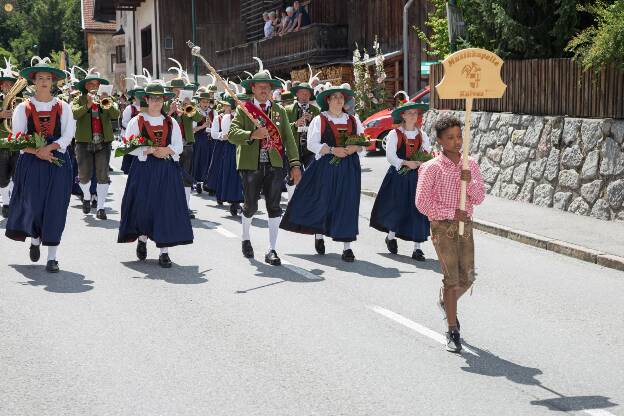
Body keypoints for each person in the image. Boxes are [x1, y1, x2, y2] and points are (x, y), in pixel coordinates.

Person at [415, 114, 485, 353]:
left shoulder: (471, 164)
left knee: (467, 277)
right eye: (451, 138)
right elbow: (422, 202)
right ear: (440, 141)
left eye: (459, 136)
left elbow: (479, 197)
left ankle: (446, 301)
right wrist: (451, 212)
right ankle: (452, 329)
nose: (457, 141)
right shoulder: (431, 167)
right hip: (443, 227)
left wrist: (470, 181)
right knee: (452, 278)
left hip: (466, 227)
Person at [5, 57, 76, 273]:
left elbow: (68, 135)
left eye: (48, 78)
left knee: (55, 208)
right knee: (33, 205)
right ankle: (35, 238)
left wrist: (50, 148)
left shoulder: (63, 107)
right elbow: (18, 138)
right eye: (40, 78)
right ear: (34, 81)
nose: (44, 81)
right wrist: (37, 151)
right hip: (31, 163)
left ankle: (52, 257)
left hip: (58, 162)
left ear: (53, 82)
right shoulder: (23, 108)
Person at [228, 59, 301, 265]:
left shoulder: (279, 112)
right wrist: (252, 134)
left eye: (267, 88)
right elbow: (232, 134)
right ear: (253, 88)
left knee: (274, 206)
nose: (264, 91)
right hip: (251, 165)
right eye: (260, 87)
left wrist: (295, 164)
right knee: (250, 206)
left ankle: (272, 249)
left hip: (275, 164)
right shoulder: (244, 110)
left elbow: (288, 138)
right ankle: (245, 238)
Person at [280, 84, 364, 262]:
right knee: (323, 201)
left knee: (347, 204)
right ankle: (319, 234)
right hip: (326, 166)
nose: (339, 100)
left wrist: (354, 147)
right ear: (328, 101)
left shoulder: (353, 120)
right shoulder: (320, 119)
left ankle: (347, 247)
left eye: (341, 97)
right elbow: (312, 144)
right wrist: (333, 150)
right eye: (335, 97)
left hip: (349, 167)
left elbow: (363, 143)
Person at [118, 82, 193, 268]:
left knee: (165, 209)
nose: (156, 102)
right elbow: (127, 147)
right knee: (144, 207)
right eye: (153, 98)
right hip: (143, 170)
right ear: (147, 99)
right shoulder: (137, 121)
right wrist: (149, 149)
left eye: (159, 99)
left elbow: (178, 146)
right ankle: (142, 238)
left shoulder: (171, 122)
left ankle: (164, 252)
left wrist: (167, 150)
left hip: (166, 171)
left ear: (164, 100)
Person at [370, 101, 431, 261]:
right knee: (398, 208)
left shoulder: (422, 135)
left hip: (417, 177)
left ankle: (417, 248)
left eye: (415, 113)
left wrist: (420, 162)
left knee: (419, 210)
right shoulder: (394, 134)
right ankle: (391, 236)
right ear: (402, 115)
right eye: (410, 113)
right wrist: (405, 163)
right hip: (399, 177)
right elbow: (390, 156)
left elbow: (427, 154)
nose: (413, 116)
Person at [72, 69, 120, 220]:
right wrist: (87, 104)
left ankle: (100, 207)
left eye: (96, 84)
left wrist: (106, 102)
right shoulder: (78, 99)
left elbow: (115, 114)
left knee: (102, 175)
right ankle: (86, 196)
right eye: (91, 84)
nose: (93, 86)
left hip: (103, 142)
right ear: (85, 86)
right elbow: (75, 114)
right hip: (83, 142)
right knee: (84, 176)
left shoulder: (107, 98)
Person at [284, 80, 319, 199]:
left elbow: (321, 129)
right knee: (293, 176)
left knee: (312, 174)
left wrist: (313, 120)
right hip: (293, 148)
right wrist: (295, 124)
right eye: (302, 93)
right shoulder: (287, 110)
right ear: (297, 94)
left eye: (307, 94)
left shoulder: (315, 111)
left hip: (310, 148)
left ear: (310, 95)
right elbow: (281, 129)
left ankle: (308, 200)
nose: (304, 96)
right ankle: (291, 199)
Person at [213, 95, 243, 216]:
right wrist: (223, 136)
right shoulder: (226, 117)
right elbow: (225, 134)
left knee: (242, 174)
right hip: (231, 147)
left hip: (243, 147)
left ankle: (239, 199)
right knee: (231, 173)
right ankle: (233, 200)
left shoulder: (246, 116)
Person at [0, 59, 19, 218]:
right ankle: (5, 202)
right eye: (5, 84)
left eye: (10, 84)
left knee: (16, 175)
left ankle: (11, 202)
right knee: (2, 178)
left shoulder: (19, 102)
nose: (8, 87)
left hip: (17, 142)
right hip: (1, 143)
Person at [192, 87, 217, 194]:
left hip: (210, 139)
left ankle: (208, 183)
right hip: (199, 139)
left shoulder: (213, 112)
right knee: (199, 160)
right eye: (203, 101)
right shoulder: (194, 112)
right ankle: (198, 182)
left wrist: (212, 126)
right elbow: (192, 130)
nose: (206, 104)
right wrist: (202, 126)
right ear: (199, 102)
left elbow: (216, 127)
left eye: (207, 102)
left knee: (210, 161)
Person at [120, 85, 145, 174]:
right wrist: (135, 128)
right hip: (132, 138)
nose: (140, 97)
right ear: (134, 96)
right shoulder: (130, 108)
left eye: (142, 94)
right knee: (131, 163)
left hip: (144, 137)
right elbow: (124, 122)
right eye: (137, 94)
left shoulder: (147, 107)